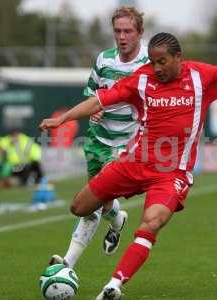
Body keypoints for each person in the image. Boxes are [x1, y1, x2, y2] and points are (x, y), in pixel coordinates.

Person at [40, 32, 217, 299]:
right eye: (153, 62)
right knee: (79, 206)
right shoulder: (142, 79)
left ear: (179, 57)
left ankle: (113, 285)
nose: (156, 68)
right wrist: (62, 119)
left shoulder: (202, 76)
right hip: (133, 163)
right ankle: (116, 217)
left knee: (152, 222)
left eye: (162, 62)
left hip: (170, 173)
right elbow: (99, 101)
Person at [48, 6, 149, 269]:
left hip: (127, 145)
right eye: (118, 31)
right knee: (100, 203)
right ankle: (117, 220)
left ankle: (66, 264)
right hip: (97, 141)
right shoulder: (104, 59)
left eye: (128, 31)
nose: (122, 36)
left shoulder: (150, 63)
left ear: (139, 32)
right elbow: (93, 93)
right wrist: (95, 109)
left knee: (91, 202)